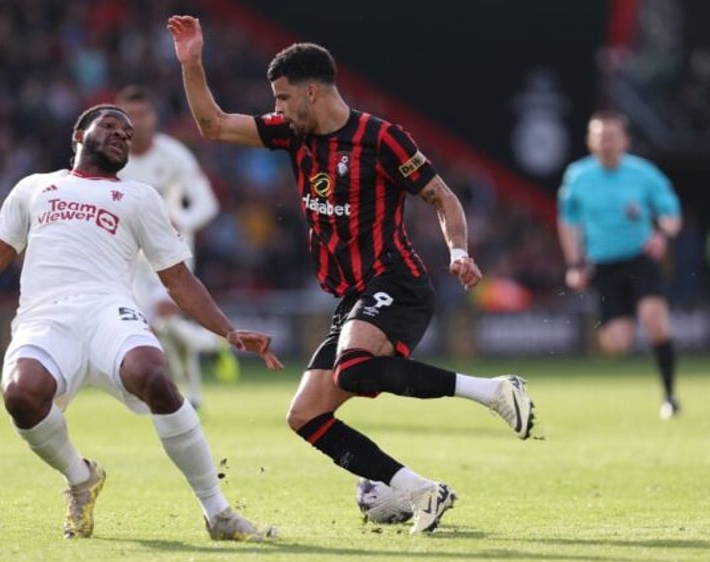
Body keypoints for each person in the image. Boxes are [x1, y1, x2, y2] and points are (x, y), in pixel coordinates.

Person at [166, 15, 535, 535]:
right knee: (305, 417)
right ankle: (420, 492)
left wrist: (458, 250)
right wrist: (192, 63)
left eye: (281, 98)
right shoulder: (292, 136)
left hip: (396, 283)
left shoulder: (381, 139)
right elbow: (214, 124)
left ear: (312, 93)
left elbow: (442, 197)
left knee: (353, 369)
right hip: (352, 297)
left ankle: (494, 390)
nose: (276, 109)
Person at [0, 104, 282, 542]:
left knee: (155, 376)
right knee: (21, 395)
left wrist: (226, 329)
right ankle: (80, 477)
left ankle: (217, 512)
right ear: (78, 135)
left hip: (109, 311)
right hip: (45, 318)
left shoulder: (140, 198)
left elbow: (178, 279)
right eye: (110, 127)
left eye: (127, 132)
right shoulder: (35, 188)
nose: (122, 135)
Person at [115, 84, 239, 409]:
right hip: (129, 257)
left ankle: (186, 395)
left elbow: (207, 203)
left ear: (154, 118)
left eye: (143, 115)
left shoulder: (173, 155)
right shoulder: (113, 158)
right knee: (157, 326)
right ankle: (211, 348)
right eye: (130, 116)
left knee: (160, 319)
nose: (138, 122)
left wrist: (181, 219)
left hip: (170, 254)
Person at [557, 110, 682, 420]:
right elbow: (568, 222)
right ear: (590, 140)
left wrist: (662, 234)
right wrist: (574, 264)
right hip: (603, 265)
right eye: (600, 136)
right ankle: (633, 318)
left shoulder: (644, 173)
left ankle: (669, 396)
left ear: (625, 140)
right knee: (616, 344)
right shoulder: (577, 177)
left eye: (611, 136)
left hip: (640, 258)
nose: (606, 142)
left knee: (655, 320)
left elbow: (671, 214)